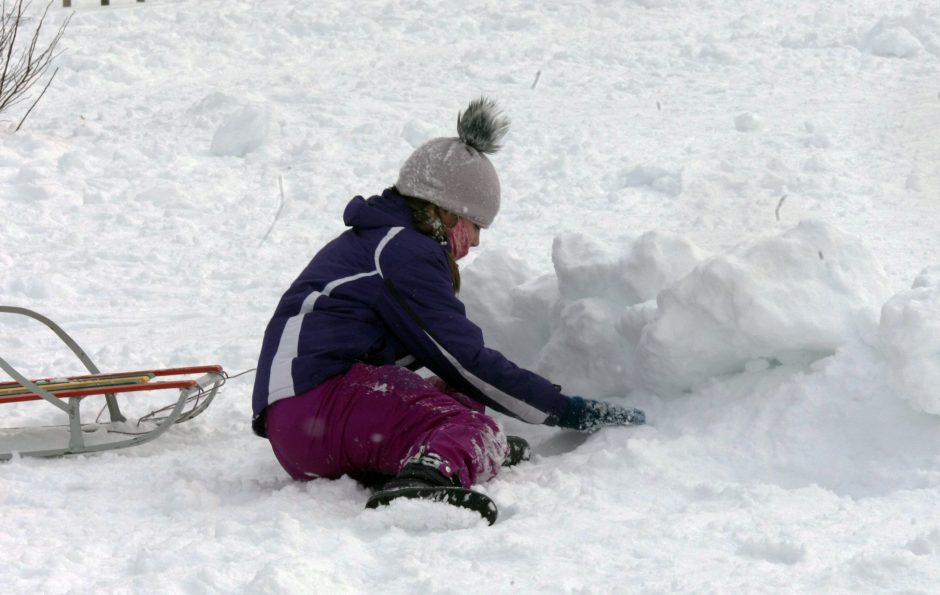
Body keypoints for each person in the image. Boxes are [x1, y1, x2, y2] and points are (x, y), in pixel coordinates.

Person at [251, 97, 645, 511]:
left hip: (305, 422)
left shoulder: (387, 240)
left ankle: (446, 450)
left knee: (458, 396)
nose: (475, 242)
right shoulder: (404, 252)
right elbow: (466, 359)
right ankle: (427, 480)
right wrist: (566, 410)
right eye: (475, 225)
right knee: (471, 424)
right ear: (448, 211)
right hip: (316, 409)